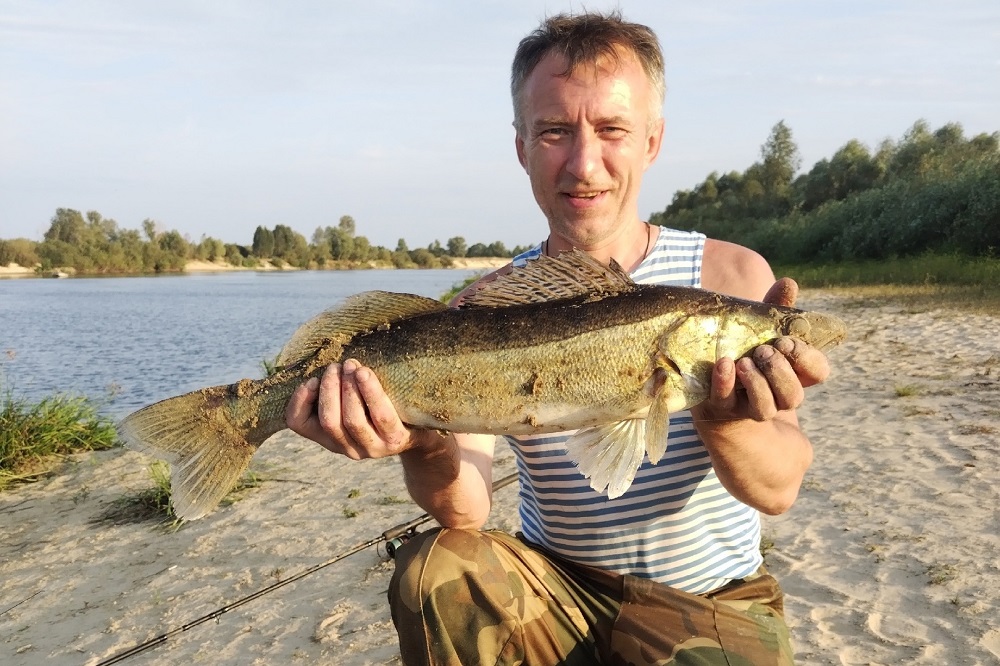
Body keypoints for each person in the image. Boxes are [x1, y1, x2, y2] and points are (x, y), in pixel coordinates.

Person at [286, 11, 829, 665]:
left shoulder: (732, 275)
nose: (584, 161)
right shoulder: (481, 306)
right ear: (521, 146)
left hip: (710, 600)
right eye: (554, 131)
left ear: (652, 141)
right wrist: (423, 446)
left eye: (611, 130)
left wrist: (725, 421)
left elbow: (778, 490)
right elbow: (467, 512)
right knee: (432, 566)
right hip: (554, 594)